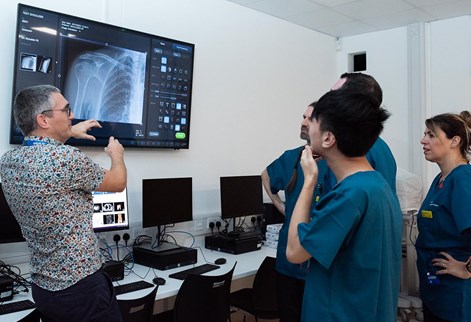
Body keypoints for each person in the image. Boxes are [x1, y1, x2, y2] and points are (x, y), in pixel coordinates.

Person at [0, 85, 127, 322]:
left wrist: (68, 131)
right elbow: (118, 182)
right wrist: (116, 155)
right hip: (82, 289)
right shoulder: (67, 159)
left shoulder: (8, 161)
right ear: (43, 120)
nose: (72, 116)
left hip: (44, 289)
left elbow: (43, 152)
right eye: (66, 110)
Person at [286, 89, 402, 321]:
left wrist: (309, 181)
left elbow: (295, 252)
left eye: (313, 121)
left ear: (328, 138)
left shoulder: (349, 196)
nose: (307, 126)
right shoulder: (376, 185)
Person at [261, 102, 328, 322]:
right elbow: (266, 175)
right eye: (303, 116)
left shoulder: (333, 163)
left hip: (319, 264)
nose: (303, 122)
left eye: (309, 118)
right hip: (289, 262)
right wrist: (281, 206)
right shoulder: (293, 157)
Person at [415, 111, 471, 322]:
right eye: (424, 134)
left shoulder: (463, 179)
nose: (423, 140)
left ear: (454, 141)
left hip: (455, 294)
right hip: (435, 289)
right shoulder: (441, 178)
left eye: (431, 135)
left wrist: (466, 268)